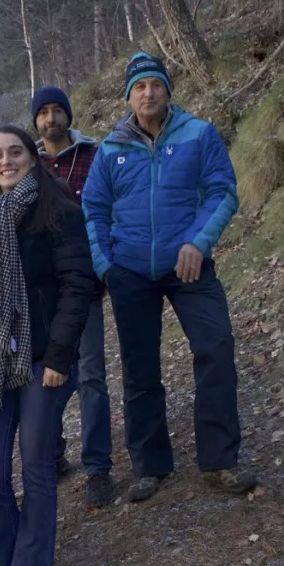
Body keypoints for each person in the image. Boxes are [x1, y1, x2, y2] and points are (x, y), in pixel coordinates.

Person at [81, 53, 258, 504]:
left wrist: (198, 242)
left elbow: (223, 191)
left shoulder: (199, 134)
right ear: (129, 96)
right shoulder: (110, 148)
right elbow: (94, 210)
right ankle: (149, 465)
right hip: (131, 271)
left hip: (189, 265)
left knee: (215, 349)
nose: (148, 93)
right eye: (139, 87)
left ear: (167, 90)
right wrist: (107, 266)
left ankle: (219, 460)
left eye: (155, 84)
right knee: (140, 370)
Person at [0, 126, 94, 566]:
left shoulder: (59, 213)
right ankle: (4, 564)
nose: (5, 161)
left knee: (36, 465)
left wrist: (59, 355)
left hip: (42, 360)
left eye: (15, 151)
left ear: (32, 158)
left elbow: (79, 284)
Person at [31, 86, 115, 507]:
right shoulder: (27, 163)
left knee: (93, 376)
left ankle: (98, 466)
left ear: (68, 114)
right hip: (39, 295)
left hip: (85, 286)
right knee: (47, 375)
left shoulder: (94, 156)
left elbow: (109, 210)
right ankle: (53, 451)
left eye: (56, 111)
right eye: (43, 113)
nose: (50, 119)